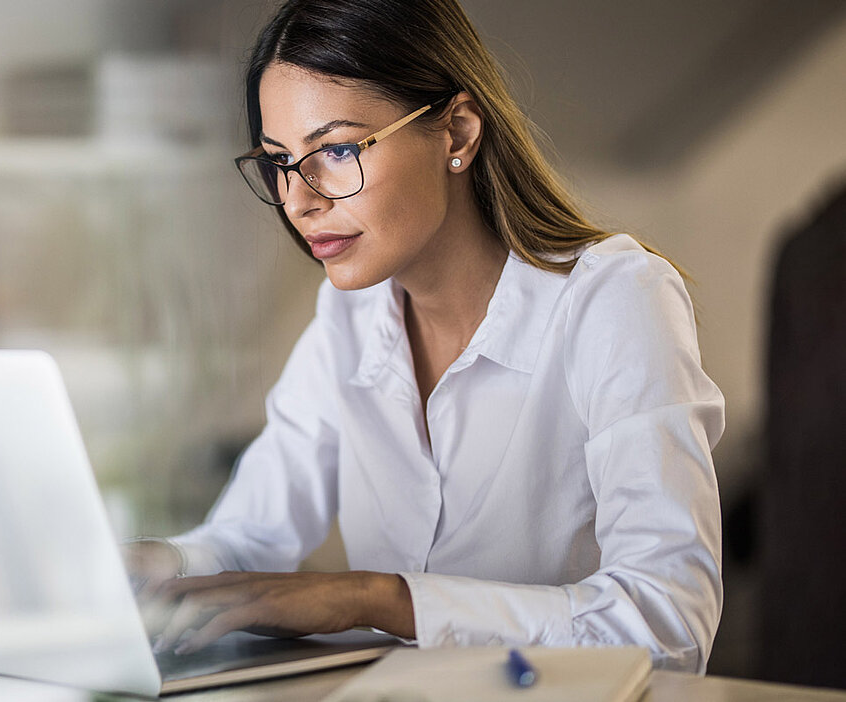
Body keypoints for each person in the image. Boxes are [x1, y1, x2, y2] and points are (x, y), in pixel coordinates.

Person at [125, 0, 723, 674]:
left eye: (337, 150)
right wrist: (151, 565)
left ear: (457, 133)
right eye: (279, 161)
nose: (300, 200)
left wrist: (380, 599)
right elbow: (250, 538)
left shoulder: (614, 298)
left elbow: (670, 622)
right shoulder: (347, 320)